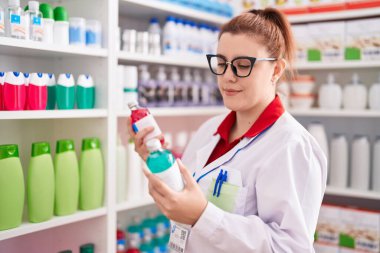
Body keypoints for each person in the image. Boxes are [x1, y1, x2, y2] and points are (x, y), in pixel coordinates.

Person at [127, 8, 327, 253]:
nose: (227, 77)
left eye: (242, 65)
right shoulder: (209, 130)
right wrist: (156, 159)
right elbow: (187, 195)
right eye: (221, 63)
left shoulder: (292, 146)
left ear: (276, 70)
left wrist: (203, 215)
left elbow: (290, 248)